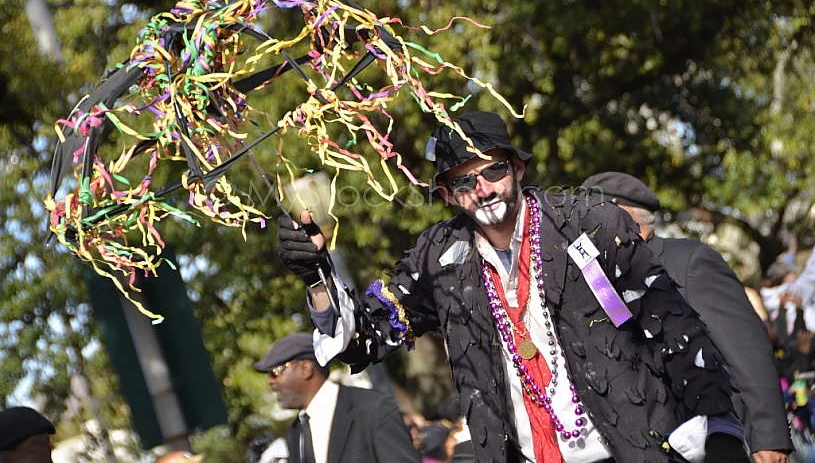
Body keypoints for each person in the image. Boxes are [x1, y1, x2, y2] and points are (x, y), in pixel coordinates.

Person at [277, 110, 750, 462]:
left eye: (492, 170)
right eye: (463, 182)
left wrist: (724, 429)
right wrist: (317, 274)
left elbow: (674, 327)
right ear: (446, 195)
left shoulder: (588, 222)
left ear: (517, 168)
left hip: (636, 449)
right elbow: (364, 340)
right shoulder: (438, 257)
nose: (482, 189)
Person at [580, 171, 793, 463]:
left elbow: (748, 351)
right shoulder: (602, 281)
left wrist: (769, 438)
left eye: (594, 216)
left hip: (716, 440)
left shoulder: (689, 261)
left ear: (626, 218)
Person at [253, 332, 420, 463]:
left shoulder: (372, 408)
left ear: (305, 368)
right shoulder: (295, 434)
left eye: (275, 372)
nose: (270, 381)